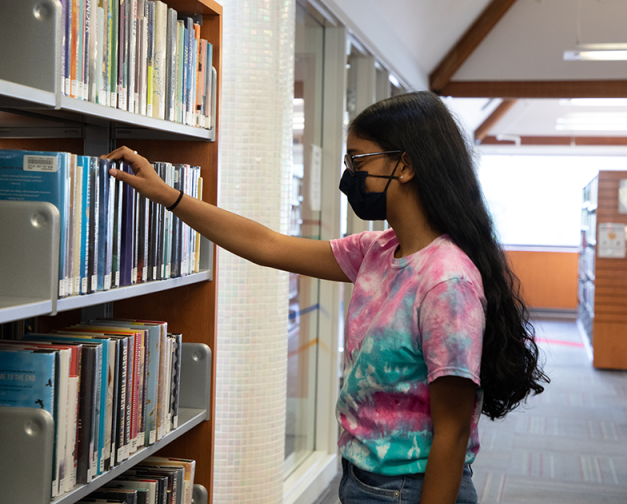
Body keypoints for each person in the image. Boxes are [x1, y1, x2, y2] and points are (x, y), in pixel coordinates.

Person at [102, 91, 548, 503]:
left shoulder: (447, 280)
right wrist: (167, 195)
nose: (349, 176)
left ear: (406, 166)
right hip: (362, 479)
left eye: (358, 161)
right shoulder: (377, 251)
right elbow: (268, 246)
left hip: (409, 490)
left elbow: (451, 432)